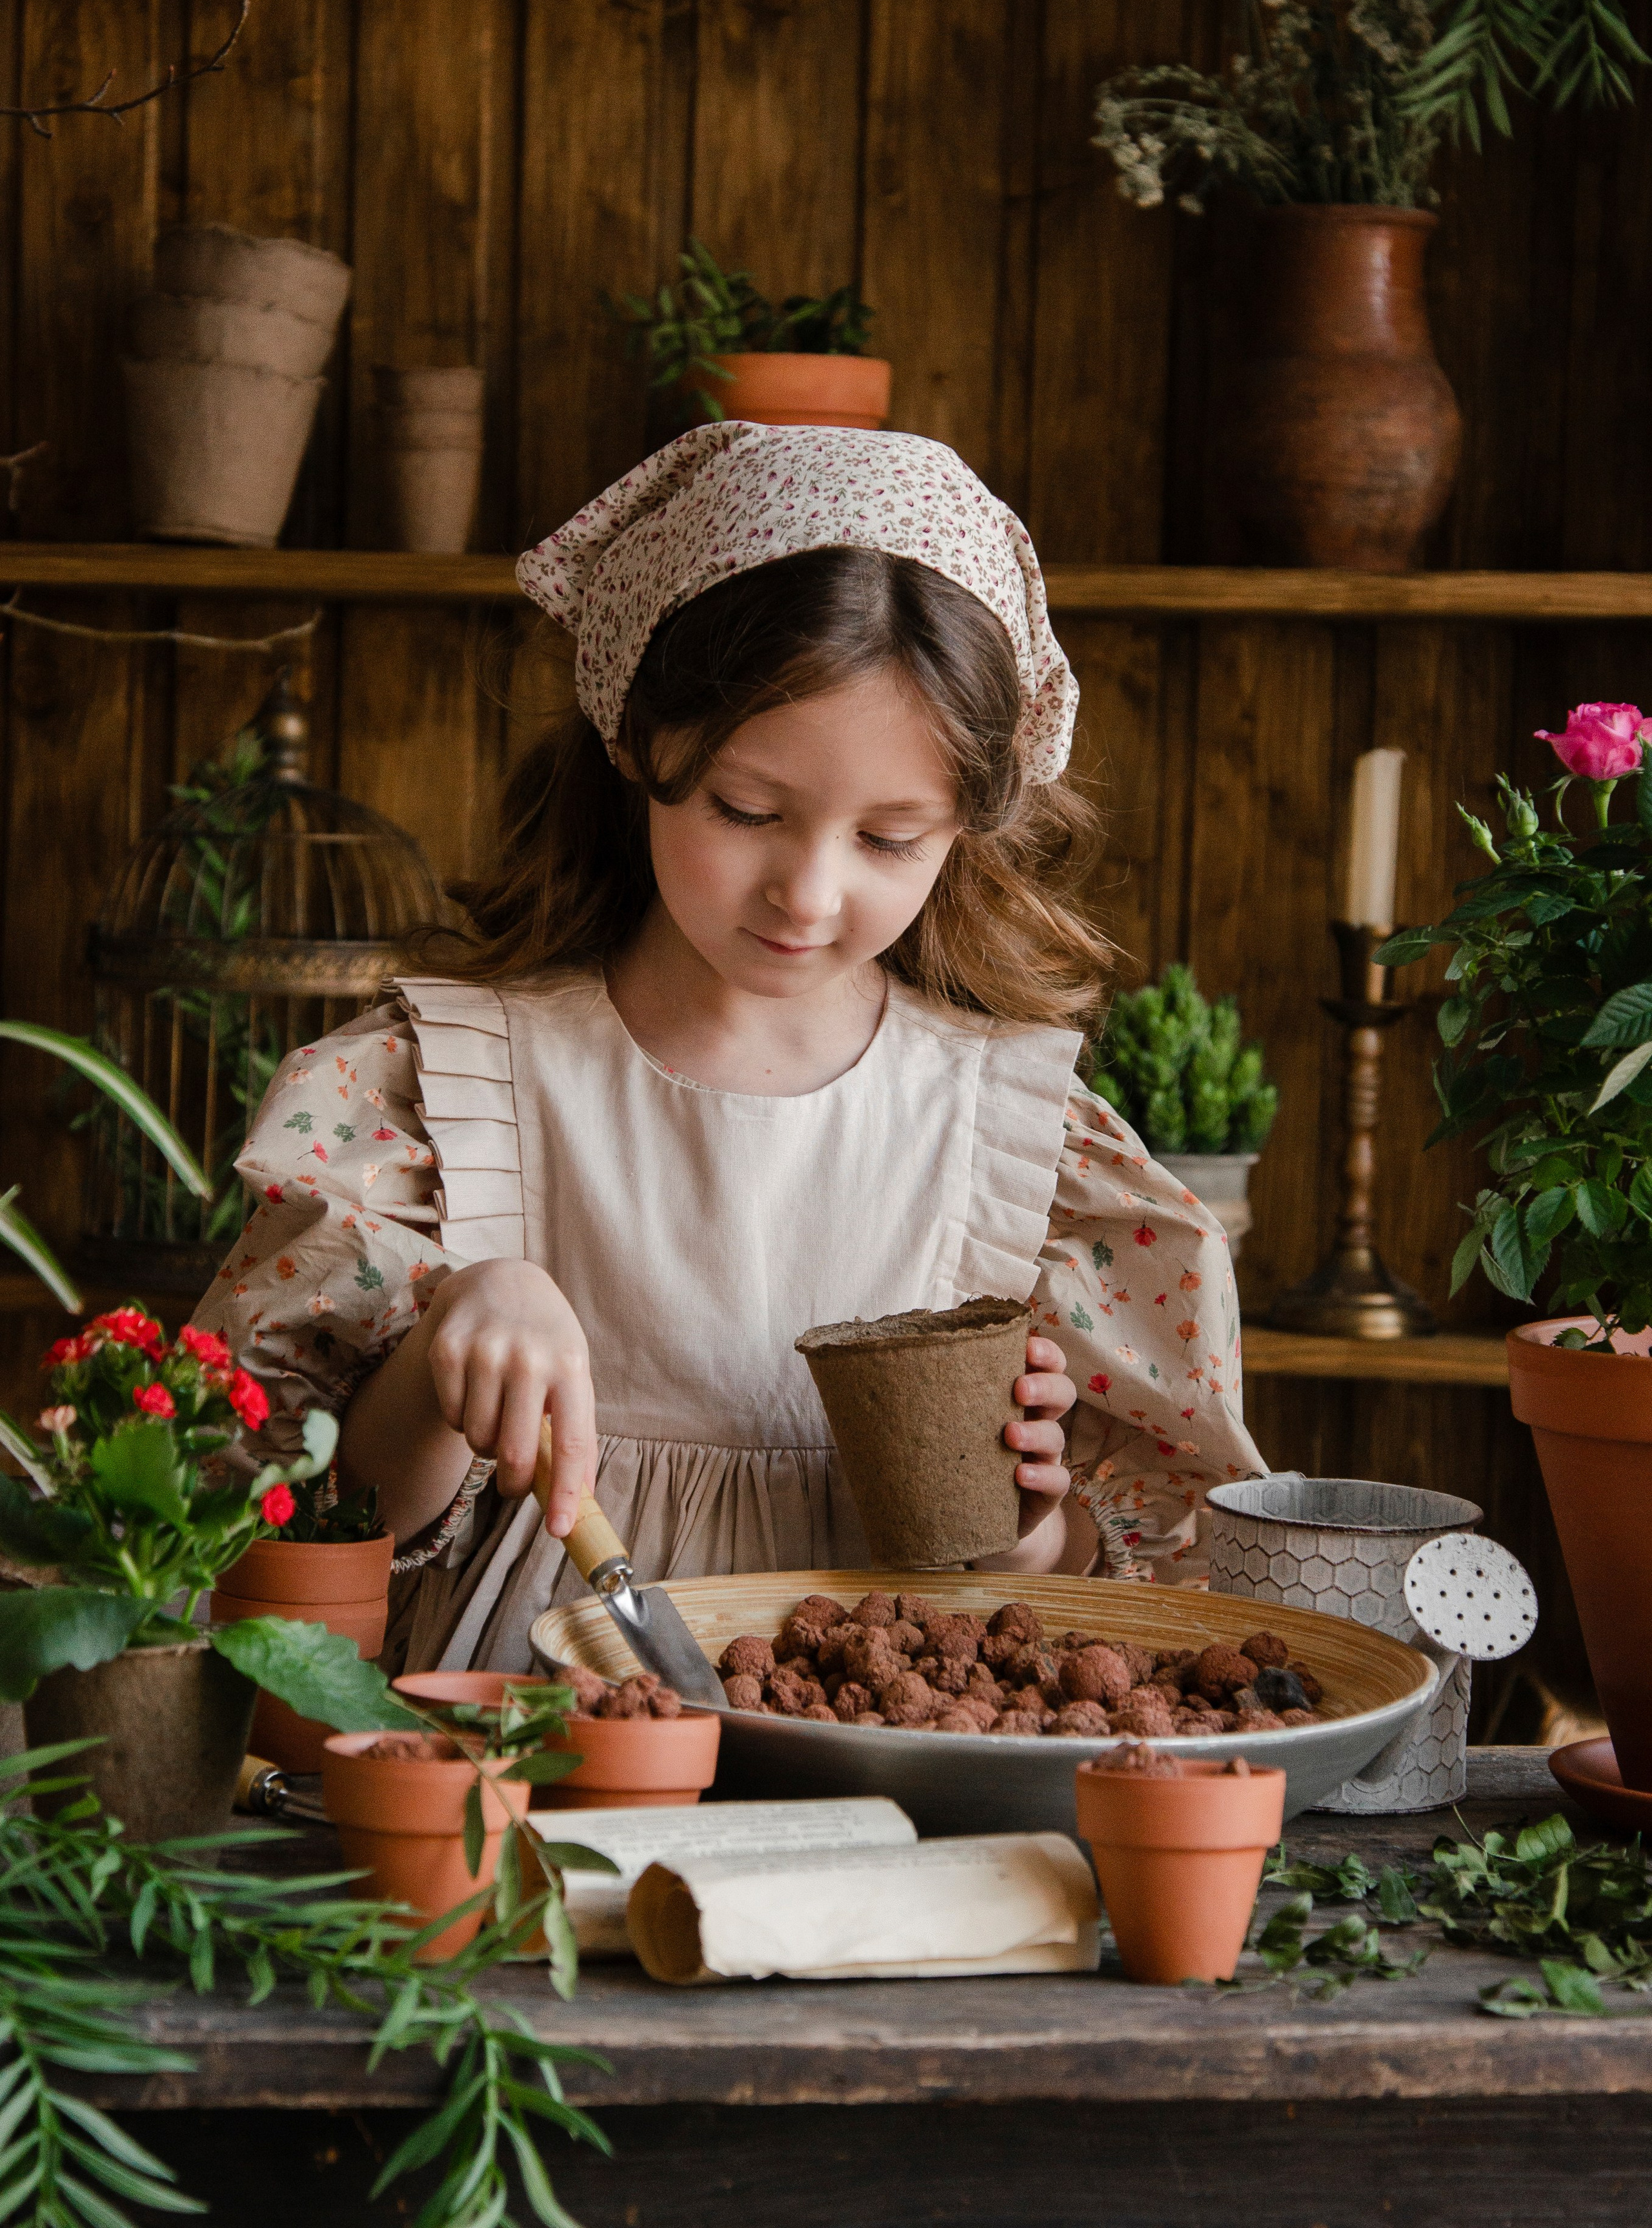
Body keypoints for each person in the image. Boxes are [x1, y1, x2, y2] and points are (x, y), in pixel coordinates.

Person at [192, 423, 1265, 1674]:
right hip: (526, 1744)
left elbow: (1135, 1597)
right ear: (634, 737)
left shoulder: (1018, 1141)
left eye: (890, 839)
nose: (808, 892)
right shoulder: (445, 1089)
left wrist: (1032, 1537)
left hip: (877, 1756)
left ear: (967, 825)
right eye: (747, 810)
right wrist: (444, 1344)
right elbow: (293, 1535)